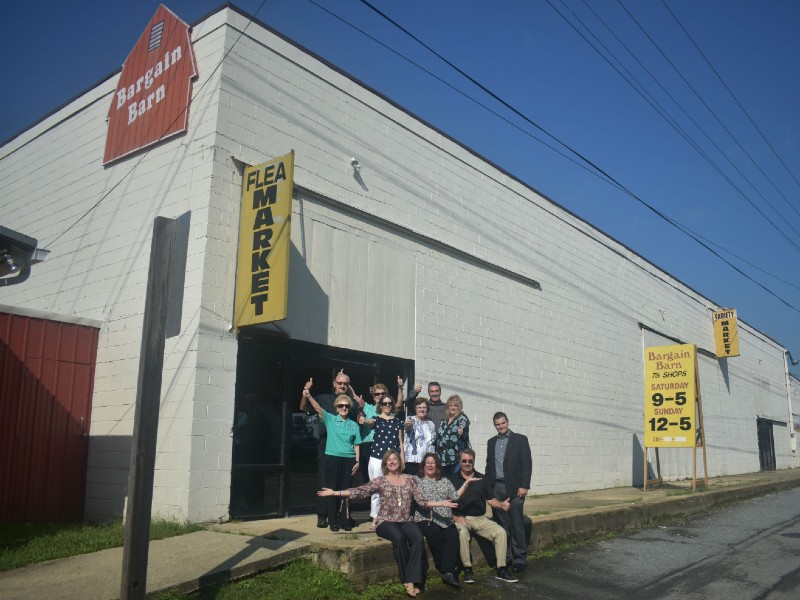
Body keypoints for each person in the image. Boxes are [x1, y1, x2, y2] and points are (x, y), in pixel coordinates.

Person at [318, 450, 458, 598]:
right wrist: (335, 493)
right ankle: (408, 581)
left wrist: (440, 503)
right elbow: (360, 491)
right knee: (399, 538)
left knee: (417, 538)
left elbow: (421, 501)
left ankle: (413, 577)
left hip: (405, 520)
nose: (391, 462)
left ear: (400, 462)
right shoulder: (381, 481)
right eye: (388, 460)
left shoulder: (410, 480)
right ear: (385, 464)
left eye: (394, 459)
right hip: (385, 521)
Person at [449, 448, 518, 584]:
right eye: (464, 461)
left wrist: (501, 505)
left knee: (500, 532)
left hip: (480, 519)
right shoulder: (452, 479)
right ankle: (468, 569)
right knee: (462, 533)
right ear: (460, 462)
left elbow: (491, 500)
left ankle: (501, 569)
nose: (467, 463)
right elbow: (447, 502)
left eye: (470, 461)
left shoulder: (482, 479)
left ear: (474, 462)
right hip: (461, 517)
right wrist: (454, 517)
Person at [299, 371, 359, 528]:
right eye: (339, 383)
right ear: (334, 384)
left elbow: (358, 420)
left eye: (345, 383)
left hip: (346, 452)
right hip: (326, 449)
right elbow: (304, 408)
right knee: (325, 481)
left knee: (344, 484)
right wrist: (306, 394)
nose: (342, 386)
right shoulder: (323, 399)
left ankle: (343, 515)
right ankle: (322, 514)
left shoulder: (351, 403)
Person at [414, 452, 479, 588]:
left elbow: (455, 496)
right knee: (433, 534)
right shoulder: (417, 480)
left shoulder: (444, 480)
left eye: (433, 463)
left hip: (444, 518)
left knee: (452, 535)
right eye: (428, 462)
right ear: (424, 465)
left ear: (437, 465)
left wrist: (466, 483)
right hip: (425, 518)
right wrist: (441, 503)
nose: (430, 465)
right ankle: (446, 570)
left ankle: (446, 571)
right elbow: (421, 502)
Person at [485, 412, 532, 573]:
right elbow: (489, 466)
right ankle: (506, 556)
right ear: (495, 425)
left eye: (503, 423)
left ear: (507, 422)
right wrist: (488, 488)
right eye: (498, 424)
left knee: (516, 523)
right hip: (496, 487)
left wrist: (525, 485)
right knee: (501, 524)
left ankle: (519, 558)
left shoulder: (520, 440)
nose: (501, 426)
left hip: (515, 489)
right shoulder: (491, 442)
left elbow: (527, 464)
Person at [360, 383, 404, 521]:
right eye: (384, 403)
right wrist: (363, 420)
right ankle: (375, 517)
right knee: (376, 489)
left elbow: (401, 442)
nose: (387, 405)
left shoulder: (397, 421)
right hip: (377, 458)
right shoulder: (376, 419)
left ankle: (392, 516)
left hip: (393, 460)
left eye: (389, 403)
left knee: (393, 489)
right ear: (381, 405)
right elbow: (369, 422)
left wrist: (402, 457)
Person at [436, 394, 470, 476]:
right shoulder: (444, 420)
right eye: (450, 405)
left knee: (456, 482)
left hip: (456, 459)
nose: (452, 408)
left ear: (459, 407)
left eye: (455, 406)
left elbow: (463, 427)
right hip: (443, 459)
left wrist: (461, 430)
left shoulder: (462, 418)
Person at [403, 397, 436, 476]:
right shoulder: (411, 419)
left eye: (424, 407)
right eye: (419, 407)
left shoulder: (431, 423)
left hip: (426, 462)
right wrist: (408, 425)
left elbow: (432, 442)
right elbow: (407, 426)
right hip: (412, 460)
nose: (422, 409)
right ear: (415, 409)